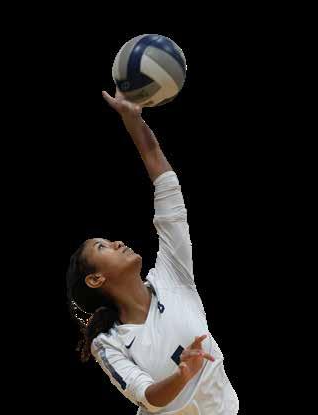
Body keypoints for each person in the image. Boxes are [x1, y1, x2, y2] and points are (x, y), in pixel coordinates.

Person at [66, 89, 239, 414]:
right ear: (95, 279)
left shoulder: (172, 273)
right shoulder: (108, 342)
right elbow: (147, 396)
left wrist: (132, 119)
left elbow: (164, 179)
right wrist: (182, 374)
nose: (117, 243)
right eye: (103, 246)